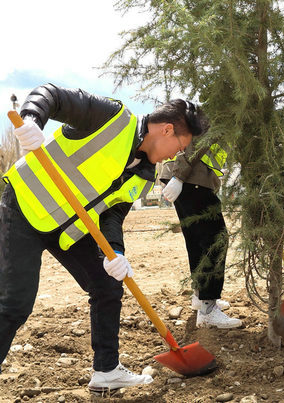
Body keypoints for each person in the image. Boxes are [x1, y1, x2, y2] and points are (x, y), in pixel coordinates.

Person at [0, 83, 200, 391]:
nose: (178, 154)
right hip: (23, 208)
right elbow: (51, 95)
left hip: (66, 228)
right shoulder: (112, 117)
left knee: (108, 283)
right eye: (181, 146)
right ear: (167, 130)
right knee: (15, 303)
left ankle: (106, 371)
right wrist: (31, 119)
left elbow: (112, 216)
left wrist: (116, 252)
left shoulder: (144, 175)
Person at [160, 132, 242, 329]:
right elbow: (196, 142)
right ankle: (208, 310)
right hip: (191, 177)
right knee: (215, 240)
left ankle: (200, 297)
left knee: (198, 241)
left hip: (189, 178)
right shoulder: (213, 116)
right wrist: (179, 177)